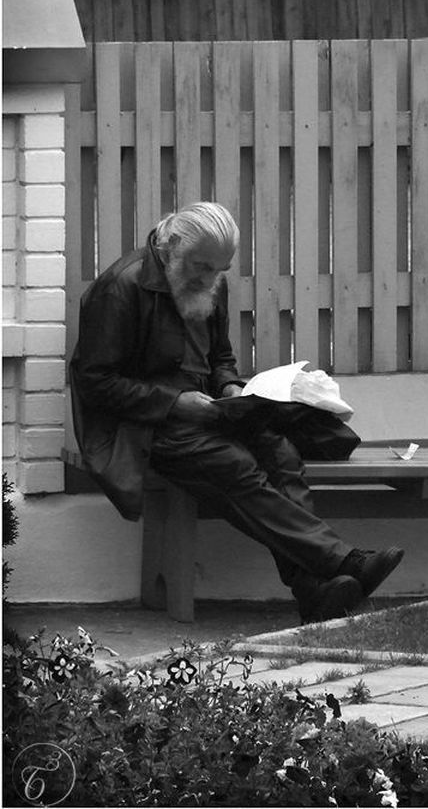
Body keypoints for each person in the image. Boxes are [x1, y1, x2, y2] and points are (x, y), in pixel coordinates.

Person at [70, 201, 404, 623]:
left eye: (219, 270)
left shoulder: (211, 282)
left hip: (208, 413)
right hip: (140, 428)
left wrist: (230, 385)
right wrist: (173, 402)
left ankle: (313, 590)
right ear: (171, 244)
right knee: (233, 463)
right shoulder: (120, 287)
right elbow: (95, 382)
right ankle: (345, 562)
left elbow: (221, 358)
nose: (210, 278)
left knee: (281, 452)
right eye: (201, 266)